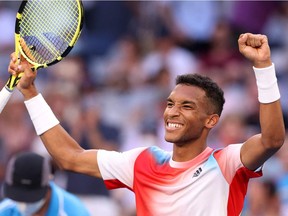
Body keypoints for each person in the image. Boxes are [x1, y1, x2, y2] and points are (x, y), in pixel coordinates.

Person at [7, 33, 285, 215]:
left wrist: (263, 68)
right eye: (171, 103)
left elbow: (272, 139)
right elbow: (70, 157)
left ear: (211, 120)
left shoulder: (228, 163)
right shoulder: (142, 162)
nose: (173, 112)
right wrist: (30, 92)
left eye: (187, 106)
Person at [0, 152, 90, 216]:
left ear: (47, 186)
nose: (24, 205)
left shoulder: (74, 212)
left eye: (31, 198)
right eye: (19, 197)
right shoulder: (5, 211)